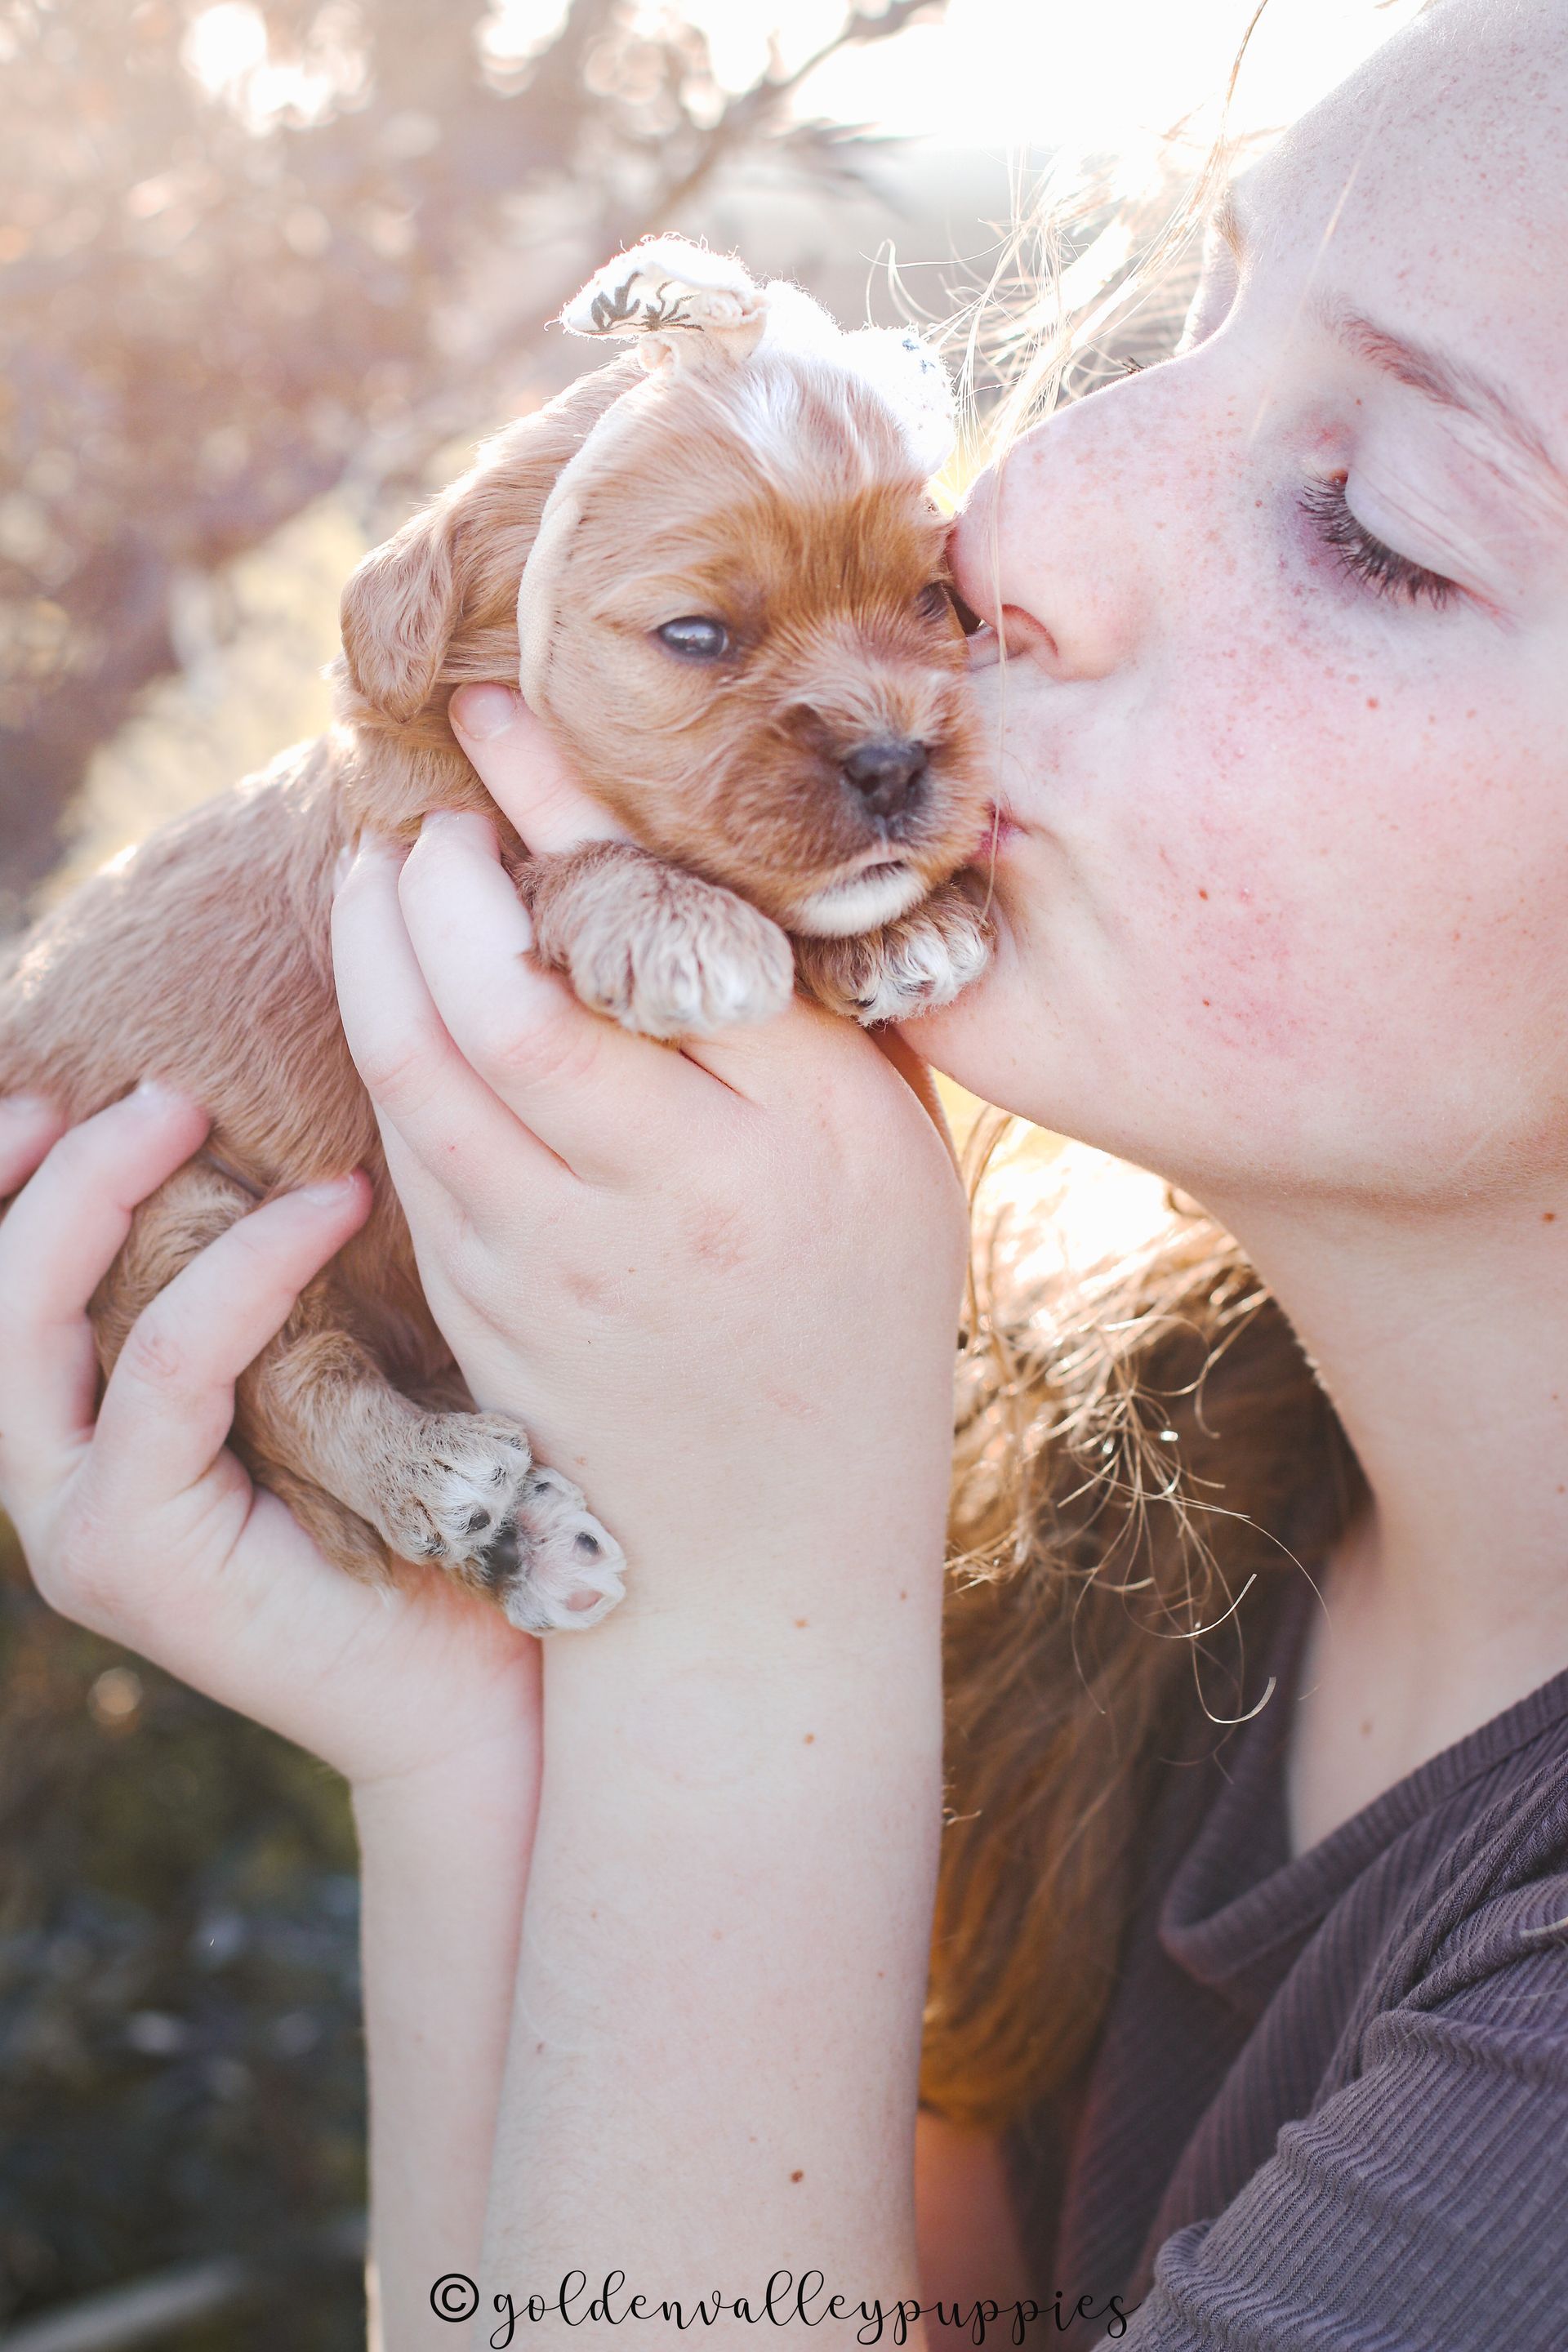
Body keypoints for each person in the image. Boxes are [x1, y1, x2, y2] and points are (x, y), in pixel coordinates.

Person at [2, 0, 1566, 2341]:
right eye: (1190, 314)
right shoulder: (1128, 1516)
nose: (1015, 530)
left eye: (1378, 526)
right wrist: (491, 1713)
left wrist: (739, 1612)